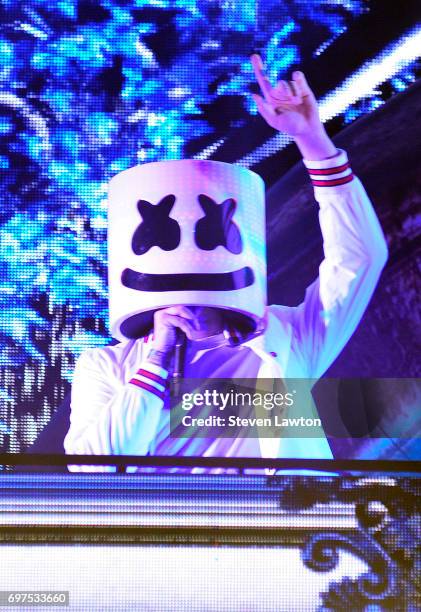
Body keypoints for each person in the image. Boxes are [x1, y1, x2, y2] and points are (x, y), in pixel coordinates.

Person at [64, 55, 388, 471]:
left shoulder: (286, 338)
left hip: (284, 529)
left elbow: (359, 258)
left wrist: (313, 141)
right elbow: (92, 466)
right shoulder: (106, 365)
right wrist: (156, 360)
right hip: (170, 532)